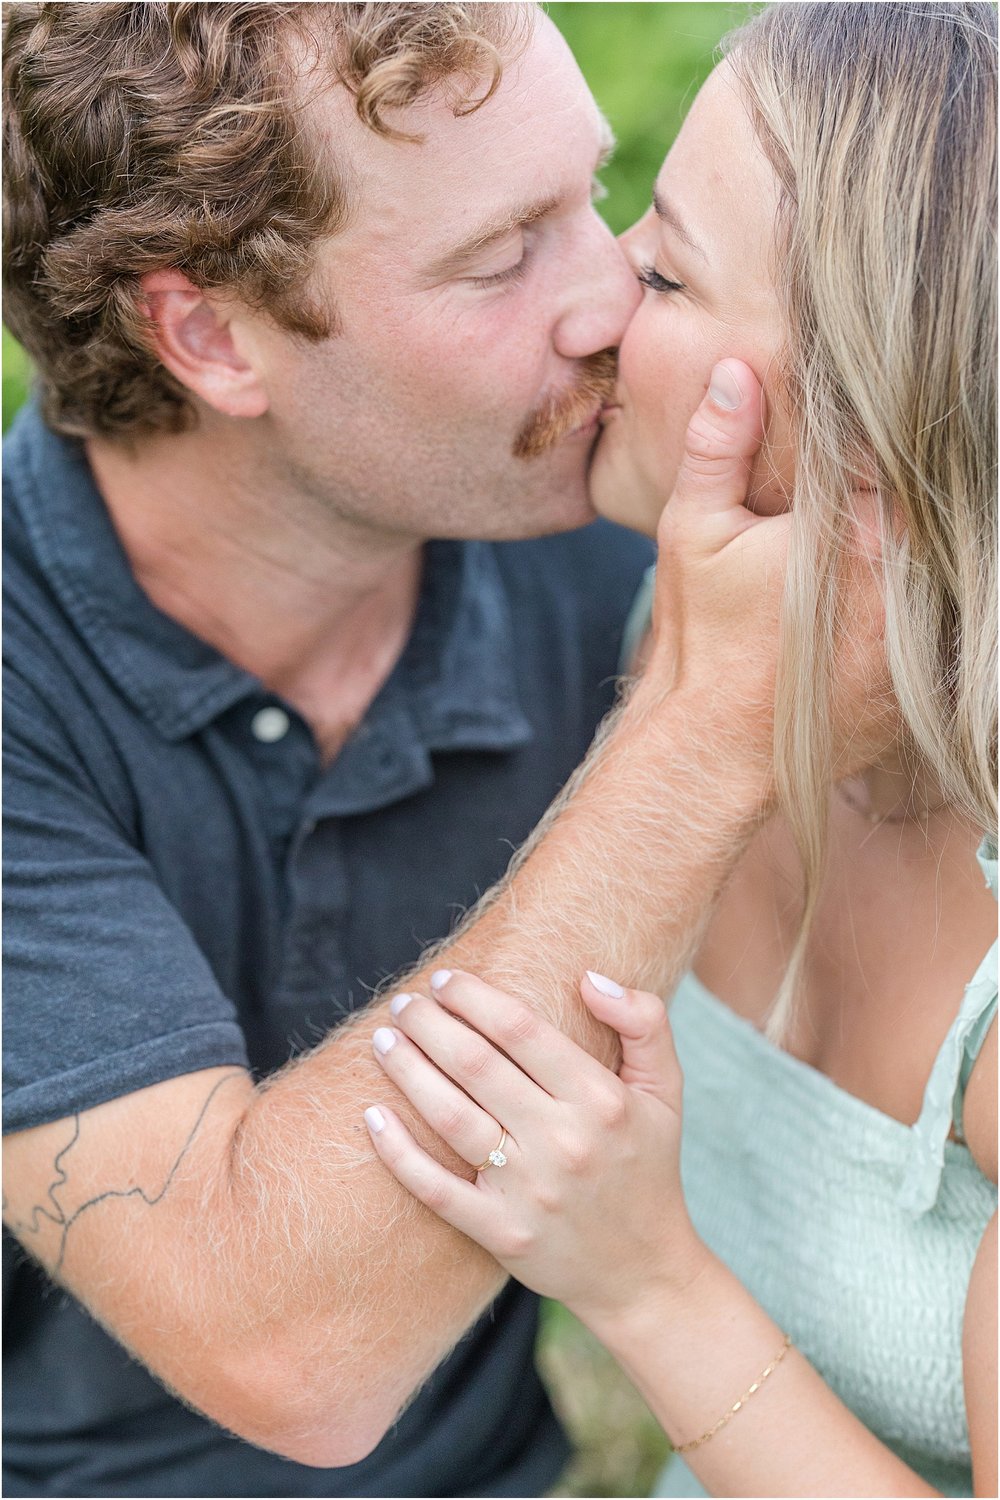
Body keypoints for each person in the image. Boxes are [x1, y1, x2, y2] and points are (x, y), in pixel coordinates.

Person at [1, 4, 888, 1496]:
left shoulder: (579, 517)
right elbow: (291, 1355)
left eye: (592, 198)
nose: (609, 299)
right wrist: (702, 736)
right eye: (502, 257)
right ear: (214, 336)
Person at [363, 4, 999, 1497]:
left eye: (660, 268)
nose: (596, 302)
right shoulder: (682, 632)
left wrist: (646, 1280)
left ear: (865, 434)